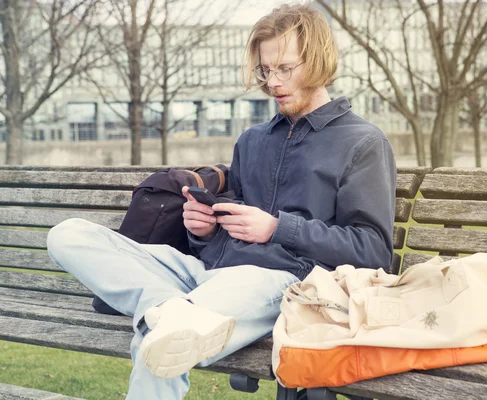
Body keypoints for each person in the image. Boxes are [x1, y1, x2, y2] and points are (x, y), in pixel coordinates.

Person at [46, 3, 396, 399]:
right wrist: (204, 231)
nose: (273, 82)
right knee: (68, 235)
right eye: (266, 70)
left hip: (282, 282)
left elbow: (375, 251)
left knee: (163, 342)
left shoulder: (362, 142)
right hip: (206, 274)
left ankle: (171, 316)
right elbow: (226, 237)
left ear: (318, 61)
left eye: (285, 68)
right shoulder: (253, 140)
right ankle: (166, 306)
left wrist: (278, 227)